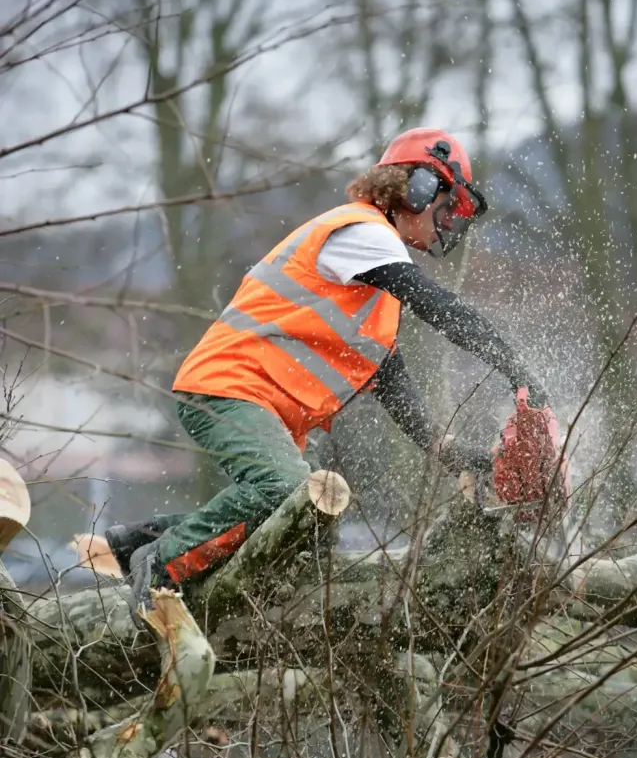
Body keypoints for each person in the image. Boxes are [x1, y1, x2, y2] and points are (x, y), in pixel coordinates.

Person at [108, 127, 549, 614]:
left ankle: (134, 543)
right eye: (446, 206)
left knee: (297, 525)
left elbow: (393, 384)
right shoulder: (362, 233)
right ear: (418, 187)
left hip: (260, 403)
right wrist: (517, 371)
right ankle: (161, 567)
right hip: (229, 386)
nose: (447, 223)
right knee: (286, 492)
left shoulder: (377, 291)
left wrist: (450, 452)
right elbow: (437, 305)